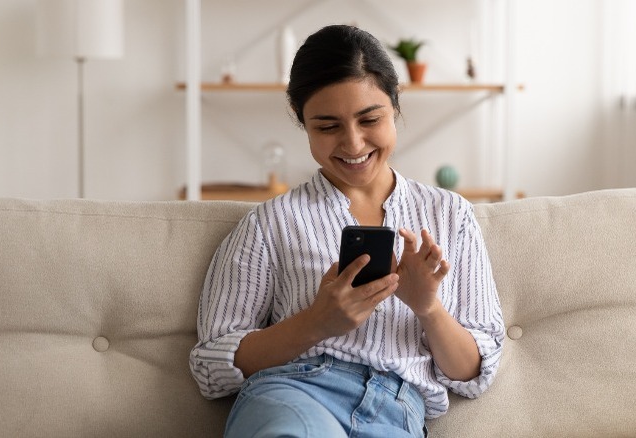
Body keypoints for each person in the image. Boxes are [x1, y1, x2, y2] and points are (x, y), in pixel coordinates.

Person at [189, 24, 504, 438]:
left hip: (396, 410)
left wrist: (428, 307)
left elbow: (475, 373)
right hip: (293, 393)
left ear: (395, 106)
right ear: (303, 124)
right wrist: (316, 323)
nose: (353, 144)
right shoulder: (269, 223)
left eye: (369, 119)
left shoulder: (451, 215)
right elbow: (211, 366)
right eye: (327, 126)